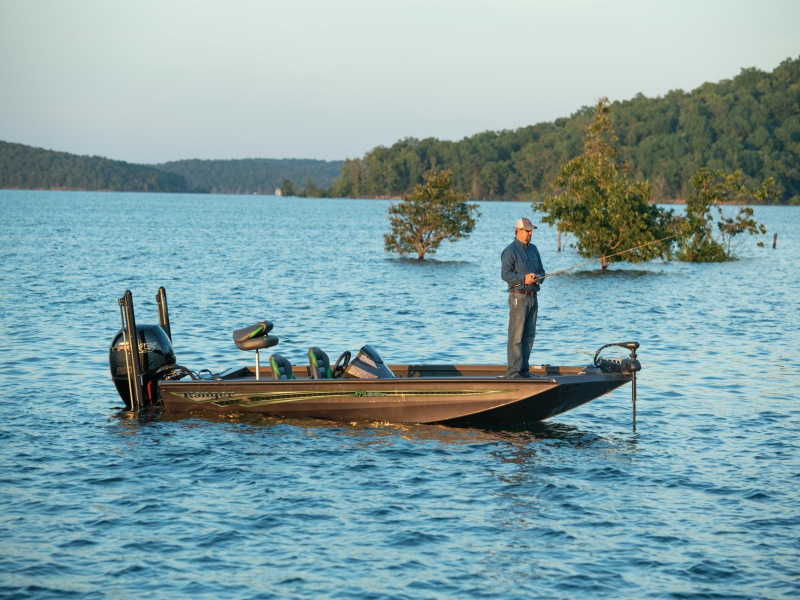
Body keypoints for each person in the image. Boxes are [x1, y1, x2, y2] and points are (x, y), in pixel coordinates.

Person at [501, 217, 546, 378]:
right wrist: (523, 279)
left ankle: (524, 372)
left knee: (529, 337)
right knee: (517, 337)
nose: (530, 233)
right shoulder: (509, 251)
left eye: (531, 231)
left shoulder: (534, 249)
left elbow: (542, 271)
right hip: (518, 297)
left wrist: (538, 277)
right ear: (517, 231)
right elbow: (505, 275)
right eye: (527, 231)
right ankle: (514, 373)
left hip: (533, 298)